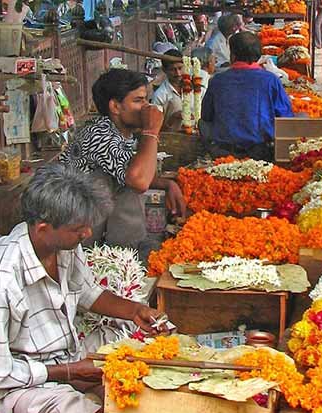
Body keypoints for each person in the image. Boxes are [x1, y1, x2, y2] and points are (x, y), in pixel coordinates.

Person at [0, 166, 170, 413]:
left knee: (141, 365)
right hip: (18, 383)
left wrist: (134, 310)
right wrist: (70, 372)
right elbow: (1, 373)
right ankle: (75, 401)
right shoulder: (4, 279)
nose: (87, 233)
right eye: (79, 229)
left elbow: (88, 292)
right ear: (43, 228)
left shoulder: (62, 246)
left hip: (66, 355)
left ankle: (85, 393)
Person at [60, 69, 185, 259]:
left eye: (146, 100)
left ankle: (124, 256)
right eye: (138, 100)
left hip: (89, 217)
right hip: (68, 222)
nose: (146, 107)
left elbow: (129, 170)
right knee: (130, 189)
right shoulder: (98, 134)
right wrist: (151, 131)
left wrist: (167, 183)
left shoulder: (122, 133)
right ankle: (125, 257)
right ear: (115, 107)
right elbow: (138, 181)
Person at [201, 31, 294, 161]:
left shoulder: (217, 80)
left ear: (233, 55)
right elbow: (285, 116)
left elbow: (206, 116)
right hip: (261, 152)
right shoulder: (270, 80)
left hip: (224, 153)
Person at [152, 48, 212, 132]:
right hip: (171, 139)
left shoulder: (195, 86)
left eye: (180, 68)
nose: (178, 73)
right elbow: (154, 128)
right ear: (164, 70)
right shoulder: (160, 95)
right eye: (172, 70)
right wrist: (173, 117)